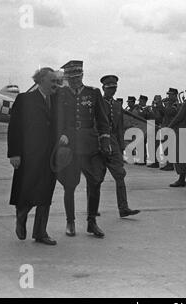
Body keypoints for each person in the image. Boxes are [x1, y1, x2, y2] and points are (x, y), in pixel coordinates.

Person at [55, 60, 111, 238]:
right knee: (69, 185)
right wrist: (60, 135)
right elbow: (55, 118)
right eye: (71, 78)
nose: (74, 81)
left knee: (95, 182)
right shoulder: (60, 94)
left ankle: (92, 221)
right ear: (67, 78)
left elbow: (102, 120)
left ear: (82, 75)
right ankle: (70, 222)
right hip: (69, 145)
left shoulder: (93, 93)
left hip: (90, 144)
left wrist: (105, 141)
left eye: (77, 77)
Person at [7, 67, 58, 245]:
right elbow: (14, 127)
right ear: (41, 80)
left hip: (51, 155)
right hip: (29, 155)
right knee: (27, 190)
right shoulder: (24, 99)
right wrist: (14, 153)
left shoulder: (56, 100)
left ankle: (40, 232)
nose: (56, 84)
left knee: (46, 192)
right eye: (52, 80)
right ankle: (21, 216)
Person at [100, 75, 141, 218]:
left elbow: (119, 128)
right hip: (99, 143)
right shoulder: (98, 102)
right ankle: (92, 208)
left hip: (114, 144)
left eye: (114, 88)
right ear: (103, 88)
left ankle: (123, 208)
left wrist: (121, 146)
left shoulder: (117, 105)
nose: (112, 91)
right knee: (96, 178)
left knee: (120, 175)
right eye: (110, 88)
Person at [160, 88, 179, 171]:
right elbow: (163, 114)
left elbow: (169, 112)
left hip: (171, 128)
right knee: (165, 147)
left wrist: (161, 105)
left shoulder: (176, 104)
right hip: (166, 126)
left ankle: (170, 164)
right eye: (169, 94)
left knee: (169, 147)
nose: (169, 96)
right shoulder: (169, 103)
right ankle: (168, 162)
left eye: (171, 94)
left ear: (175, 95)